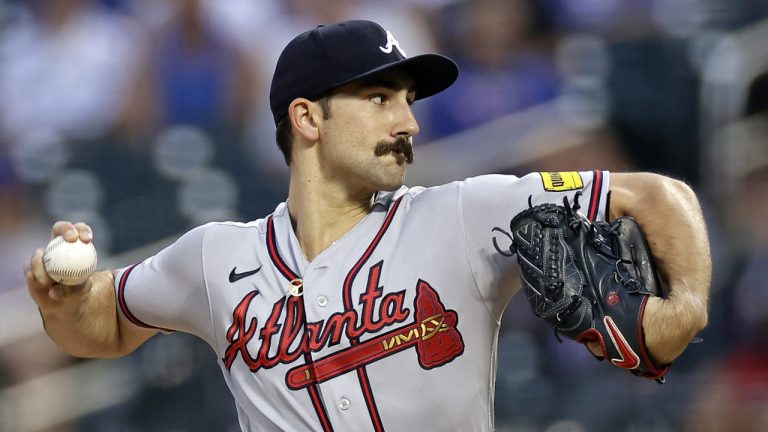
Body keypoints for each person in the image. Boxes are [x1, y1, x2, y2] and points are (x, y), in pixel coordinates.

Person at [25, 20, 711, 432]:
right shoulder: (214, 259)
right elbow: (105, 324)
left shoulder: (465, 214)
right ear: (307, 119)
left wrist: (685, 305)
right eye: (380, 98)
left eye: (408, 101)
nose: (408, 121)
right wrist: (62, 305)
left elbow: (656, 194)